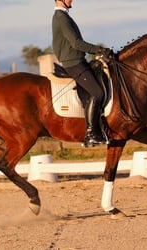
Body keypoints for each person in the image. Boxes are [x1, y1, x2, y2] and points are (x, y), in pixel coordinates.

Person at [52, 0, 113, 147]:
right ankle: (91, 133)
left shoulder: (64, 16)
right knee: (97, 93)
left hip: (78, 60)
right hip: (73, 63)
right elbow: (76, 43)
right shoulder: (61, 17)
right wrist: (99, 50)